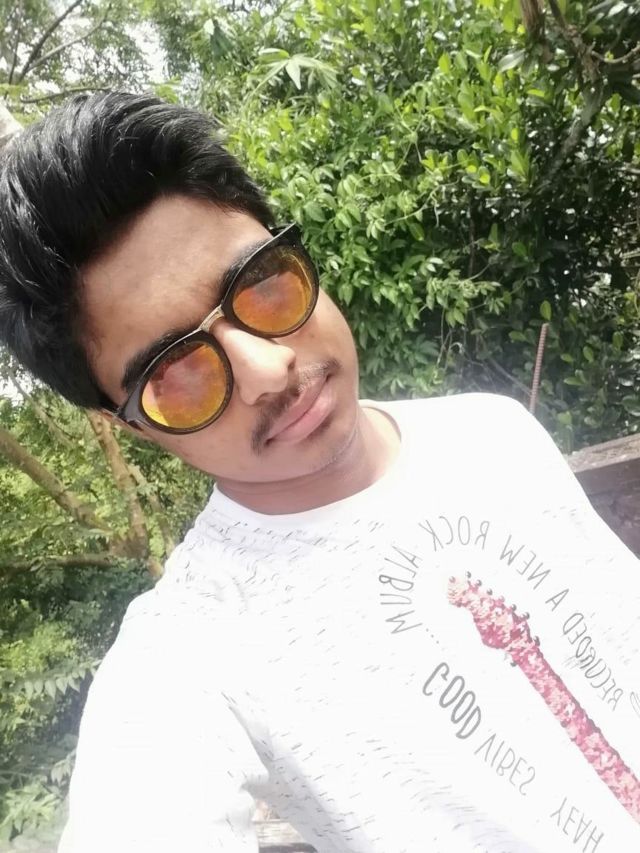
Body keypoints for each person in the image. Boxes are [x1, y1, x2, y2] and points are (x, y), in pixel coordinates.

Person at [0, 92, 638, 853]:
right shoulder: (191, 652)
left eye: (260, 282)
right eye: (175, 372)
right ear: (129, 424)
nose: (269, 370)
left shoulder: (491, 427)